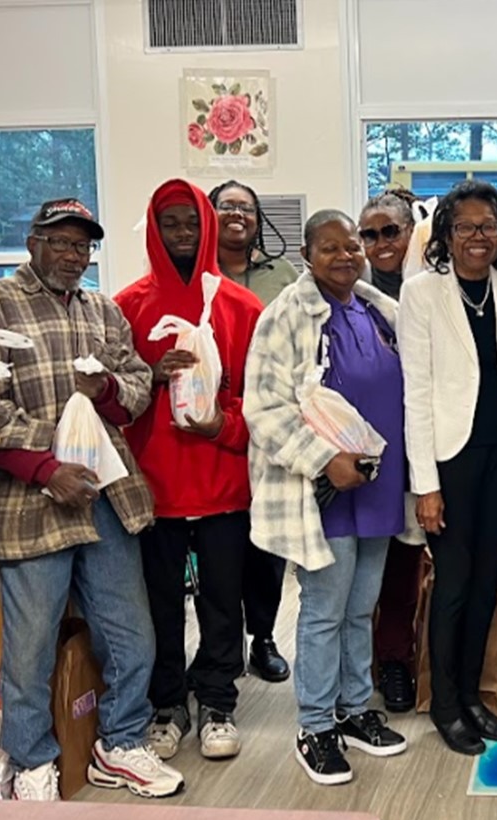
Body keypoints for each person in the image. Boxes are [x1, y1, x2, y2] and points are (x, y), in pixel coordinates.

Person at [0, 197, 183, 802]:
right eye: (59, 241)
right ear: (32, 242)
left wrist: (107, 388)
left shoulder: (103, 310)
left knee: (132, 631)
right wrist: (47, 463)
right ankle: (31, 760)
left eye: (81, 245)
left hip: (105, 492)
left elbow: (138, 383)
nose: (71, 255)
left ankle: (123, 742)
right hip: (27, 498)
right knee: (30, 642)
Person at [244, 210, 420, 783]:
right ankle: (315, 725)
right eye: (330, 248)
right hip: (325, 487)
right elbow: (263, 411)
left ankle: (351, 709)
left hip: (379, 484)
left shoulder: (374, 309)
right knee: (324, 608)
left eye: (352, 247)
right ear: (306, 253)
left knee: (359, 607)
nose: (346, 256)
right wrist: (325, 460)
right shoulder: (285, 316)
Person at [117, 179, 265, 760]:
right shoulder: (127, 307)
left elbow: (263, 403)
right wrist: (151, 376)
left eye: (191, 223)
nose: (183, 234)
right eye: (170, 223)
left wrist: (221, 426)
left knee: (224, 599)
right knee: (158, 603)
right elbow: (114, 399)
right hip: (153, 487)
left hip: (223, 480)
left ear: (208, 228)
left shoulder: (242, 308)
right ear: (154, 228)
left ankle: (219, 700)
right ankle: (167, 702)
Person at [399, 180, 497, 755]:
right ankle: (446, 704)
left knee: (484, 586)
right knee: (451, 585)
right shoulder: (422, 293)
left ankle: (474, 695)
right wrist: (424, 485)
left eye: (488, 226)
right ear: (446, 236)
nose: (478, 237)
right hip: (450, 461)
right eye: (466, 227)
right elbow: (416, 394)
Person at [209, 180, 294, 683]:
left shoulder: (281, 274)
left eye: (246, 207)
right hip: (211, 426)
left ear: (259, 219)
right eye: (226, 206)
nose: (236, 213)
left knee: (268, 541)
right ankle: (221, 644)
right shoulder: (194, 273)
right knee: (220, 543)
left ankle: (262, 637)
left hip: (270, 421)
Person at [361, 189, 429, 711]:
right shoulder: (347, 294)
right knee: (357, 573)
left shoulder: (429, 292)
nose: (381, 243)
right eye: (370, 234)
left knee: (404, 568)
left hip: (418, 450)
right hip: (359, 454)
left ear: (412, 233)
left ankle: (397, 661)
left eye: (391, 232)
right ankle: (358, 668)